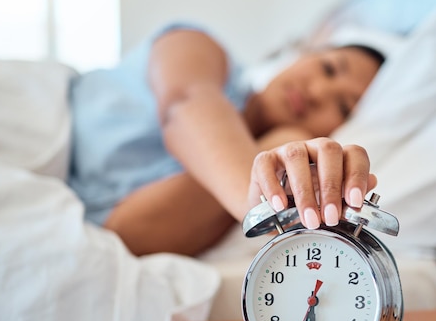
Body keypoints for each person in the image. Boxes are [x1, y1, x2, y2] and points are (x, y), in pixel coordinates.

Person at [68, 23, 384, 256]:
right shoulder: (197, 46)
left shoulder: (266, 161)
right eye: (328, 69)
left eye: (343, 107)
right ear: (303, 55)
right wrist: (259, 196)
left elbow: (123, 235)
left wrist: (283, 148)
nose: (316, 92)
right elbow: (184, 103)